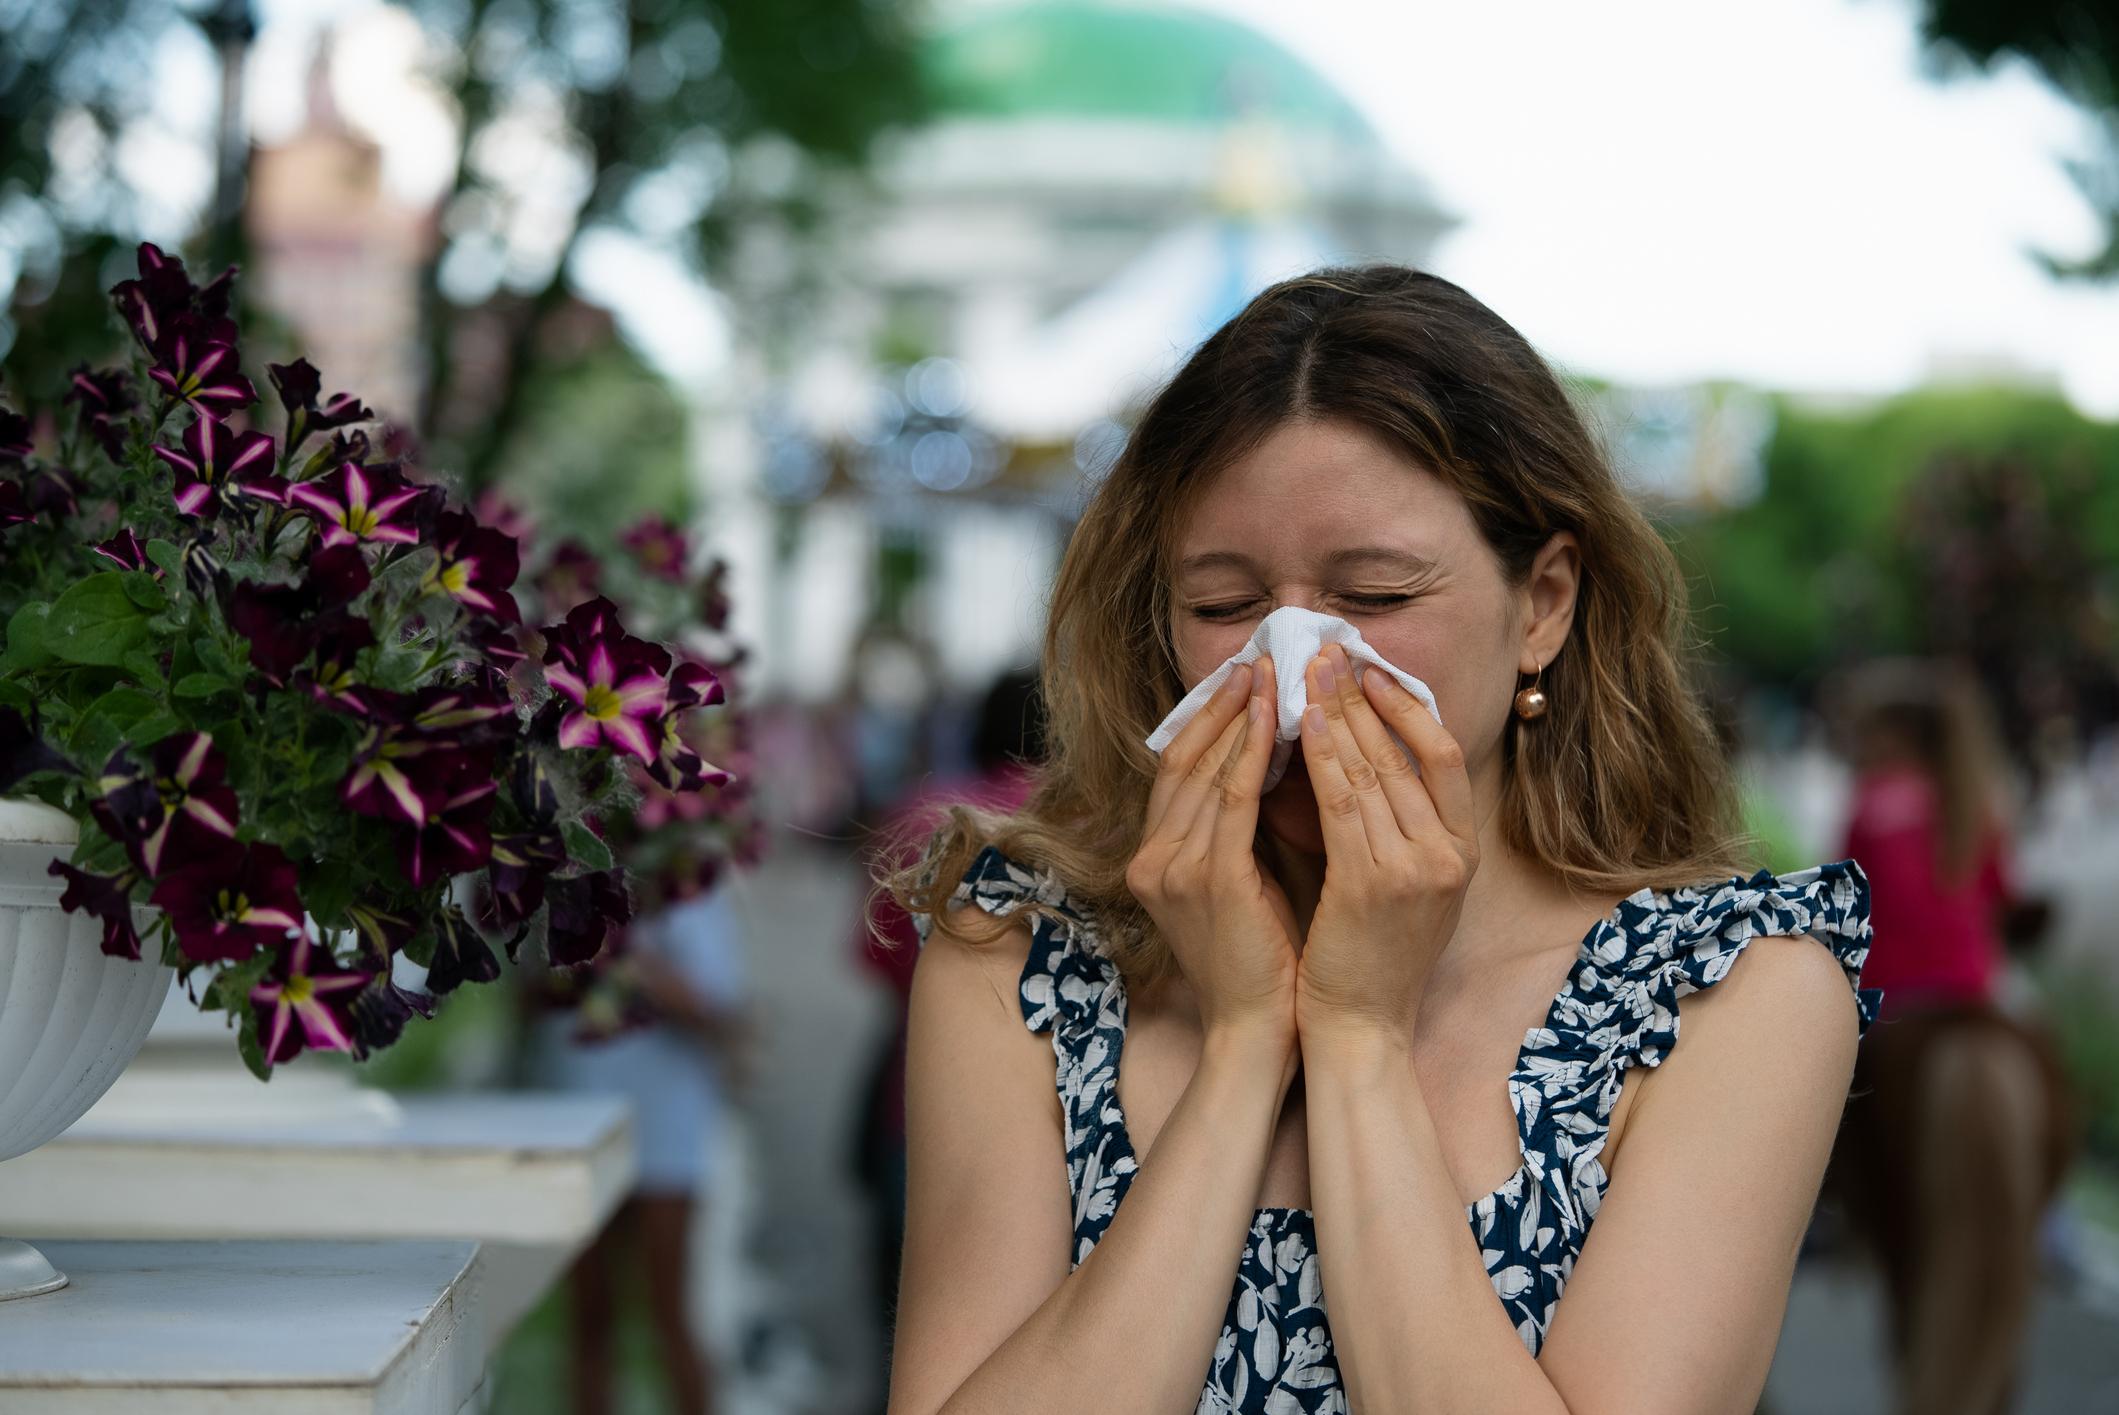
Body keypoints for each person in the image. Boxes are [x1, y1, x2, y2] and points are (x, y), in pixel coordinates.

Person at [876, 265, 1881, 1415]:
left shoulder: (1730, 991)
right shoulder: (1016, 952)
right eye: (1221, 605)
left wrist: (1353, 1036)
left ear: (1542, 604)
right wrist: (1246, 1041)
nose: (1293, 671)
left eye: (1377, 592)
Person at [1825, 659, 2074, 1415]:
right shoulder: (1974, 802)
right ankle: (2052, 1224)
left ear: (1895, 735)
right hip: (1971, 993)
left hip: (1894, 1004)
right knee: (2037, 1067)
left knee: (1822, 1093)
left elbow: (1846, 906)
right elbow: (1999, 902)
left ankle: (1822, 1207)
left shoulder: (1871, 802)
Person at [851, 665, 1049, 1392]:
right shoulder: (1091, 833)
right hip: (1066, 1133)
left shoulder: (922, 816)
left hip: (910, 1097)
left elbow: (869, 957)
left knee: (909, 1322)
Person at [529, 886, 759, 1415]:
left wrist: (623, 956)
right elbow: (531, 999)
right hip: (578, 1116)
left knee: (669, 1313)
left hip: (666, 1128)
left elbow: (717, 1005)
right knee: (590, 1317)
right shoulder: (562, 883)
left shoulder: (686, 884)